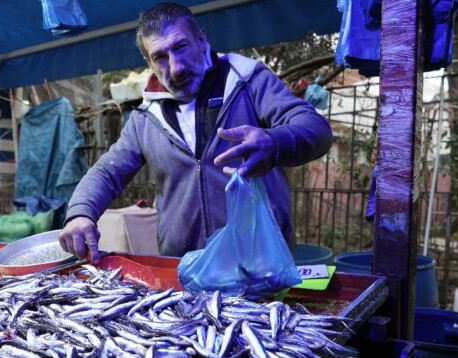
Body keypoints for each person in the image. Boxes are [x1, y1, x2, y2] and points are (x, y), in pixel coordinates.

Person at [59, 2, 332, 263]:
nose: (175, 68)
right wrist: (80, 214)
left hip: (261, 262)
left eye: (180, 47)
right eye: (160, 57)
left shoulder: (247, 80)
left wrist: (274, 143)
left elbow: (315, 128)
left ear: (201, 40)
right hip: (186, 269)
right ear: (148, 61)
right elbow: (109, 171)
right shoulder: (145, 117)